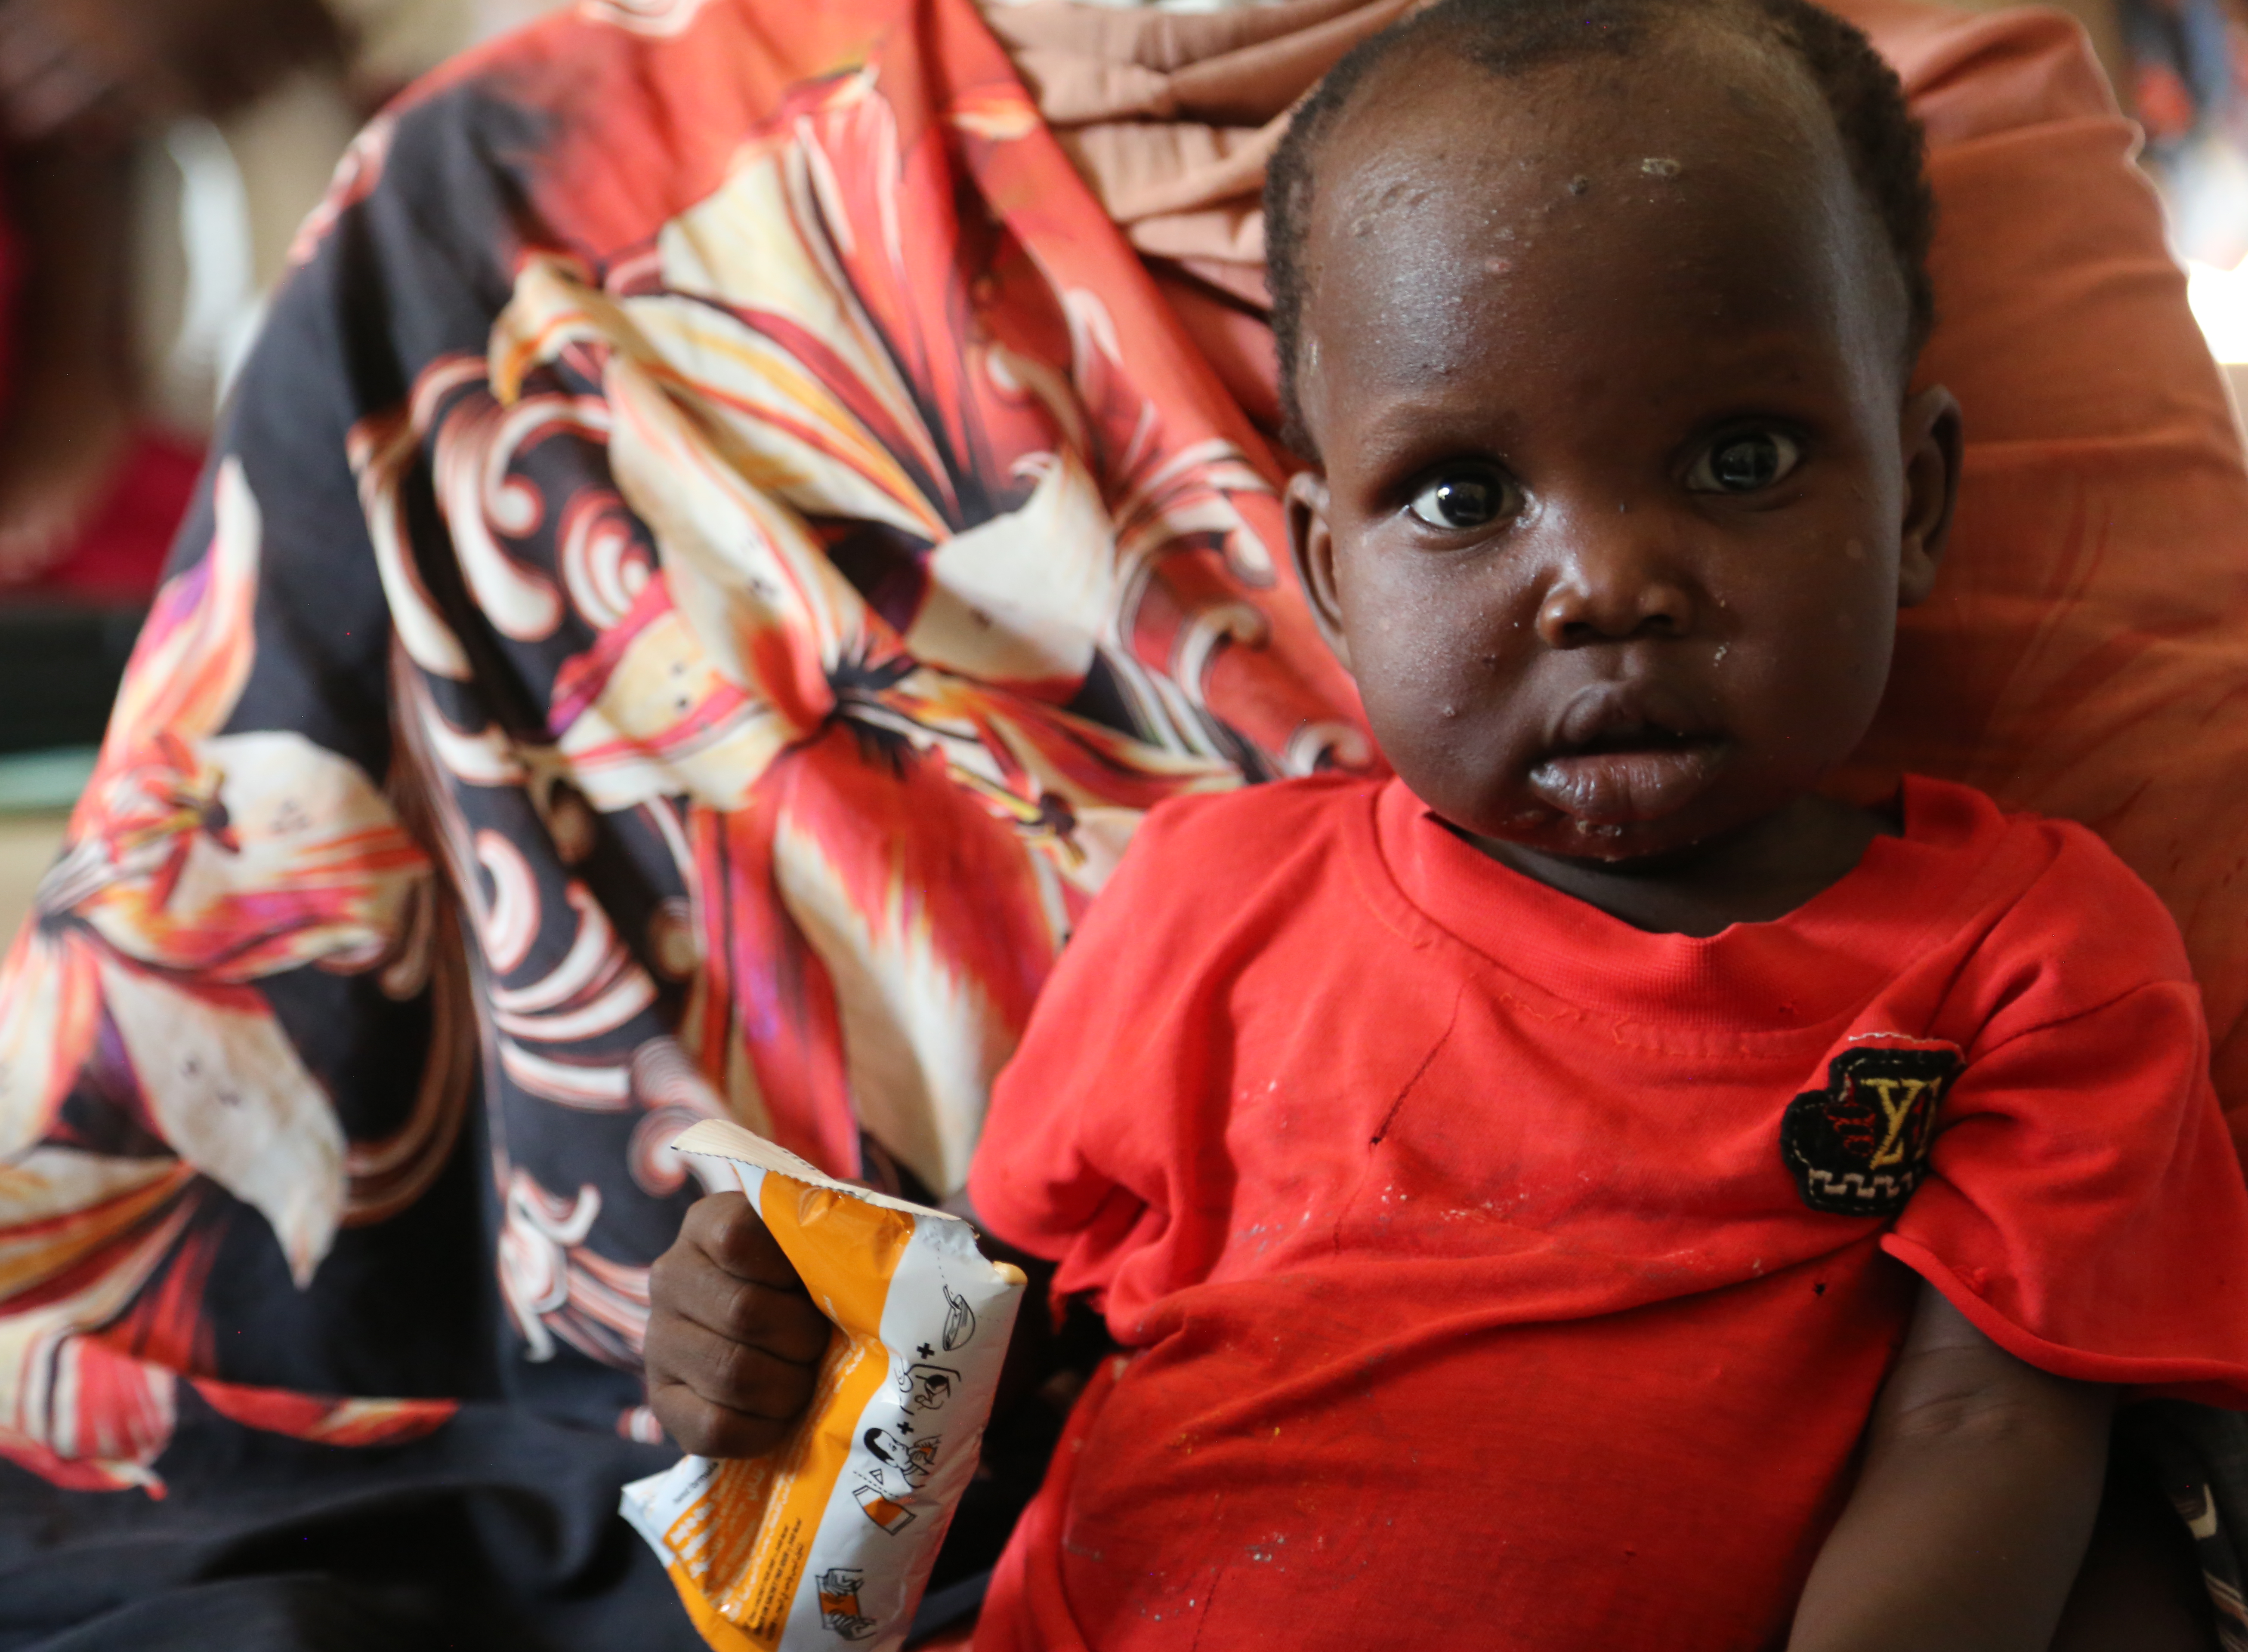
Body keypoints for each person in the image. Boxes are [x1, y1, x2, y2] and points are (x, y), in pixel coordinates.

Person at [639, 1, 2248, 1647]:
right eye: (1465, 496)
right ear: (1332, 570)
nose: (1611, 583)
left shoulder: (2030, 960)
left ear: (1915, 501)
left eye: (1742, 459)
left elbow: (1985, 1442)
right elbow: (966, 1372)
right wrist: (768, 1342)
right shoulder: (1214, 908)